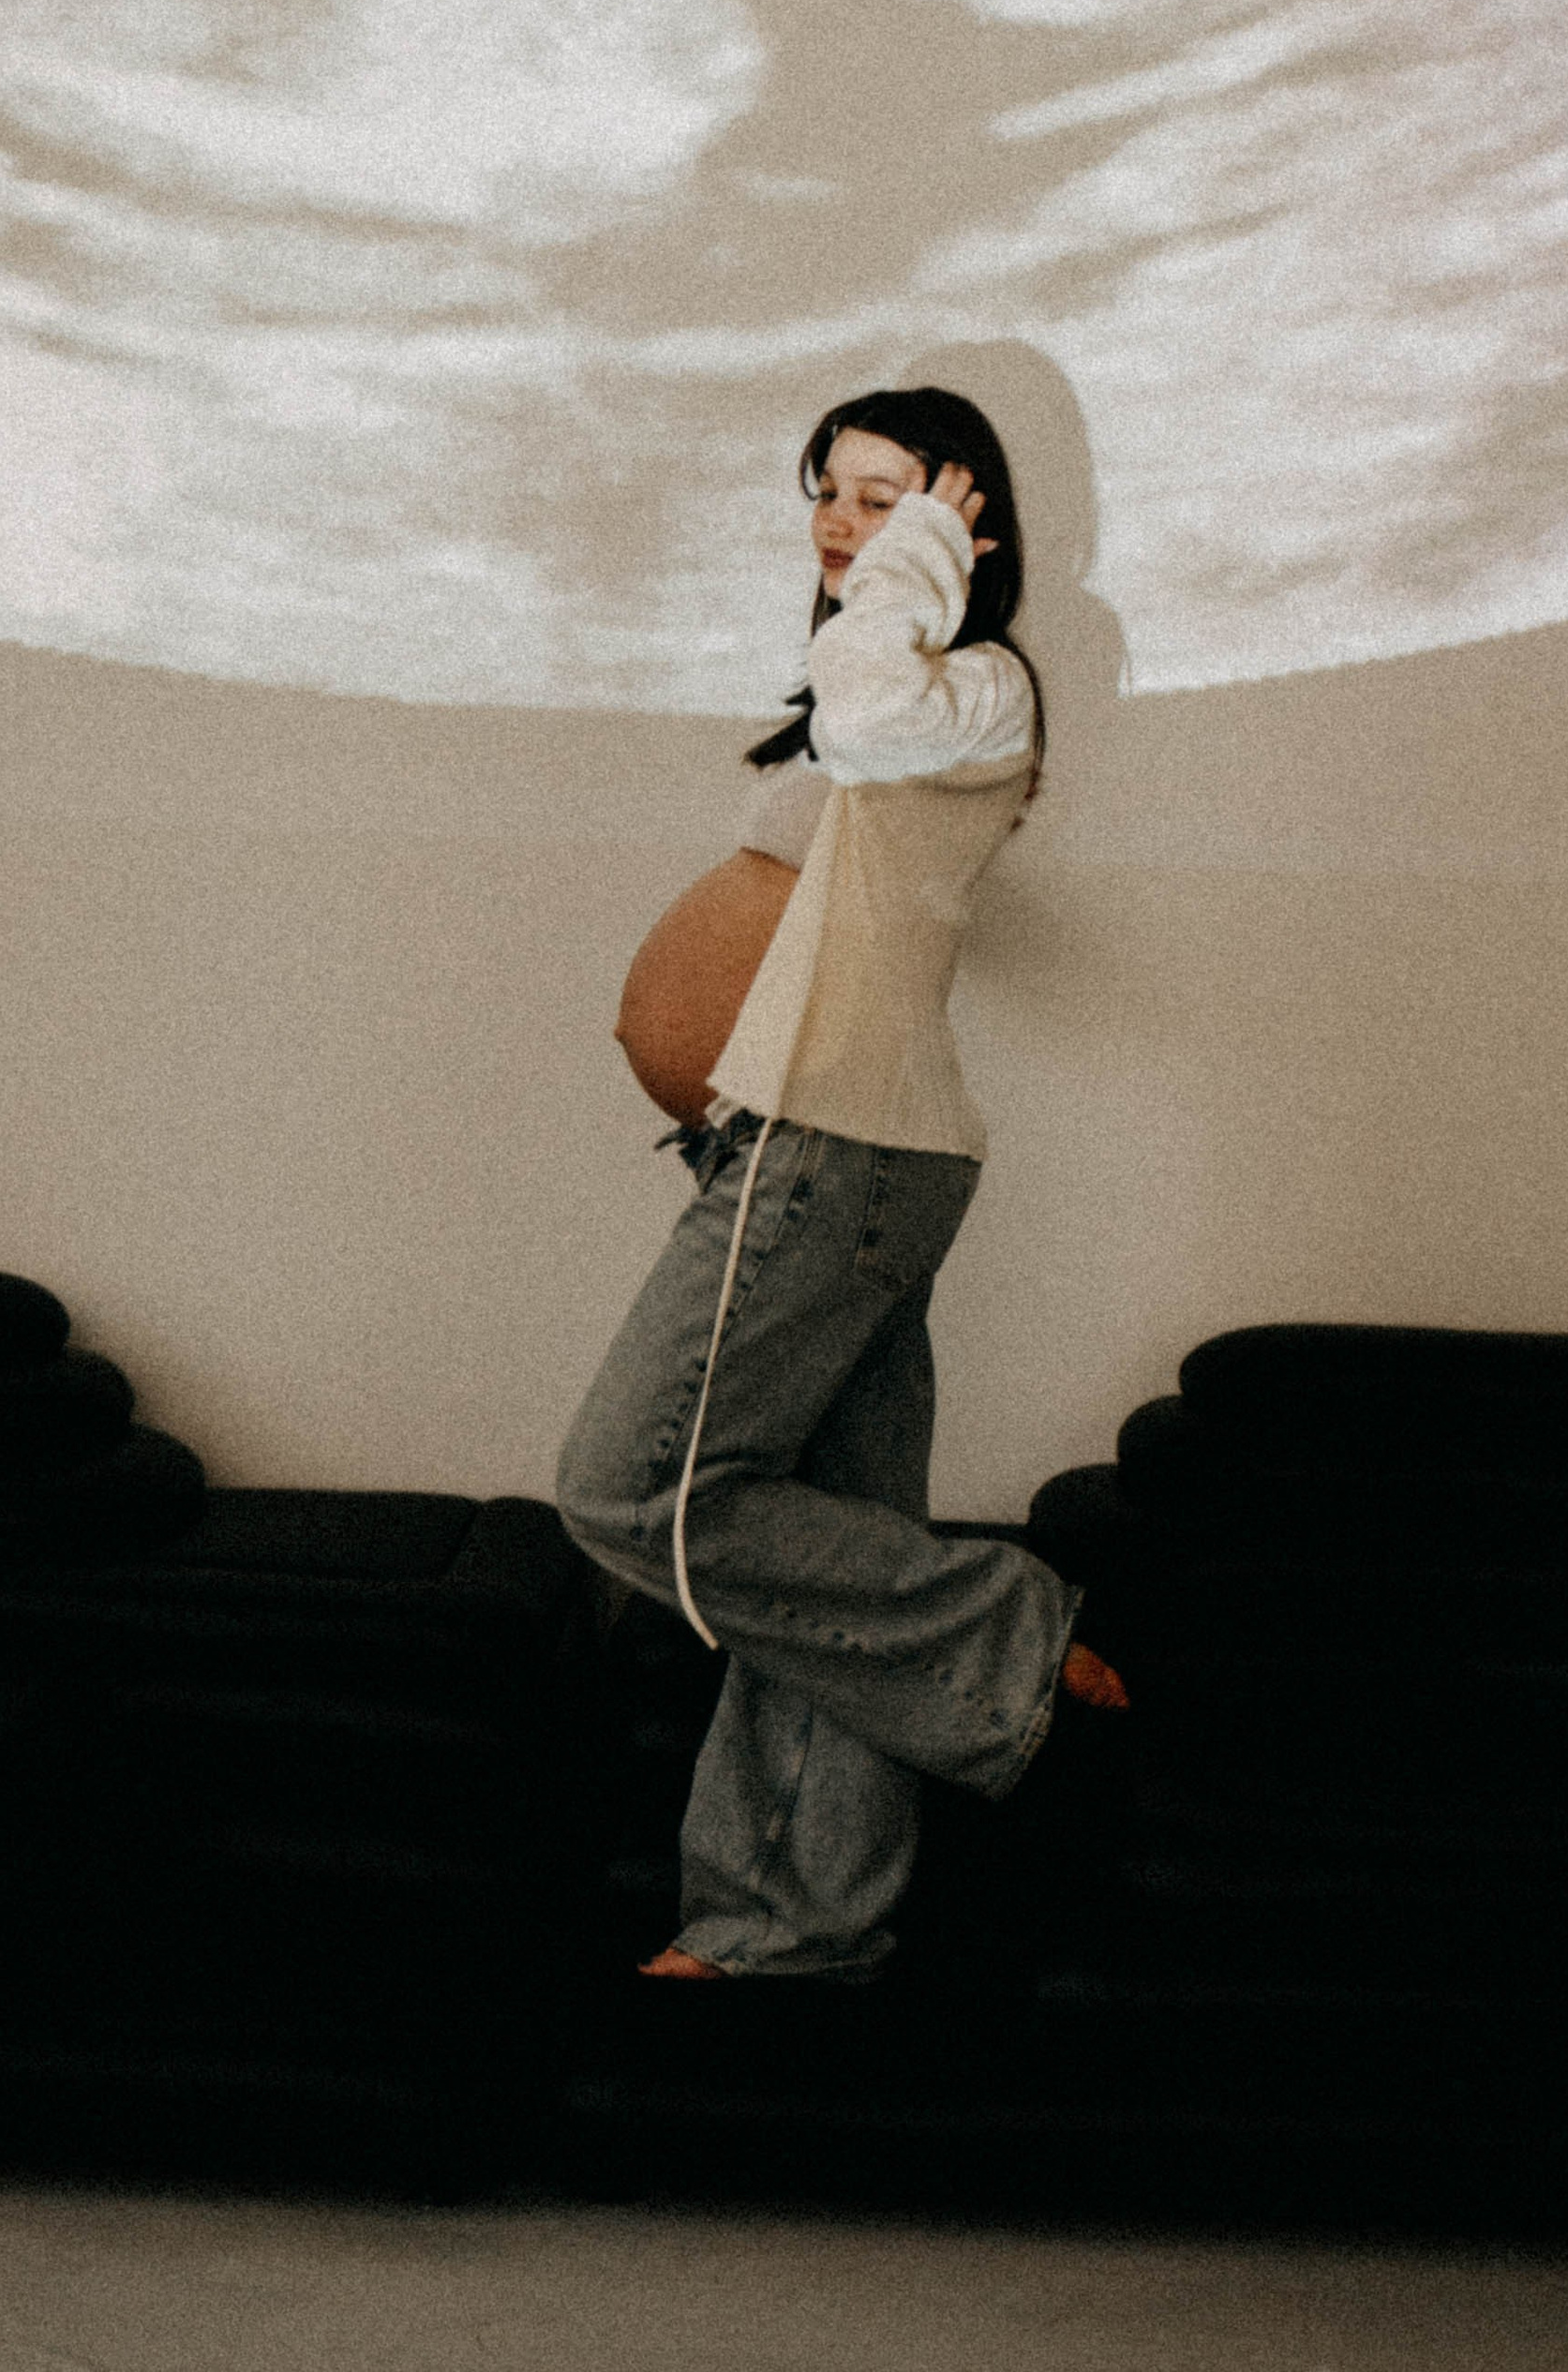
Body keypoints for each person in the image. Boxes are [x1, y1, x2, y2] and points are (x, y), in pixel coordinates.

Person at [555, 381, 1127, 1986]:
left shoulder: (971, 686)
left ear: (965, 525)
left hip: (835, 1152)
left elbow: (868, 711)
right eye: (829, 493)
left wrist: (912, 562)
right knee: (821, 1558)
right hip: (825, 1151)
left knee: (634, 1493)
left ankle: (1001, 1623)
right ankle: (788, 1927)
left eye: (885, 497)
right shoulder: (886, 682)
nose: (840, 527)